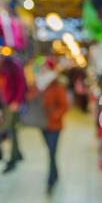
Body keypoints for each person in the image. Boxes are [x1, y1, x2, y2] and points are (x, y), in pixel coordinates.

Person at [0, 49, 27, 173]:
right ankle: (17, 154)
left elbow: (21, 83)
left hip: (12, 103)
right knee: (11, 129)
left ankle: (13, 158)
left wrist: (17, 101)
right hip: (3, 103)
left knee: (8, 129)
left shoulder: (11, 65)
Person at [29, 60, 69, 193]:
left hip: (54, 125)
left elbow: (64, 105)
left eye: (45, 67)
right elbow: (29, 98)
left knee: (51, 151)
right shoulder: (37, 83)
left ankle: (51, 179)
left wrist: (54, 116)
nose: (43, 69)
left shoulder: (56, 84)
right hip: (42, 123)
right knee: (50, 150)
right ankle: (55, 173)